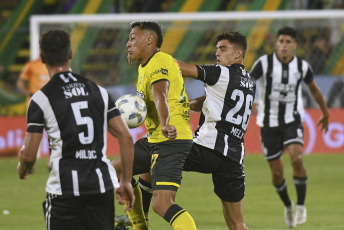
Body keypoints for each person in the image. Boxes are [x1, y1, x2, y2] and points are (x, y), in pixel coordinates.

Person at [17, 29, 135, 230]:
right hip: (101, 186)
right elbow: (125, 136)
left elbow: (29, 156)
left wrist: (24, 168)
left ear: (43, 57)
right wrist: (125, 181)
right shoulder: (99, 91)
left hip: (64, 190)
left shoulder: (40, 99)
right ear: (70, 53)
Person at [112, 21, 196, 230]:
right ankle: (139, 226)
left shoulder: (159, 62)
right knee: (114, 169)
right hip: (155, 139)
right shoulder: (147, 65)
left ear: (149, 39)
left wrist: (166, 124)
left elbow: (161, 95)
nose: (127, 44)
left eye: (133, 38)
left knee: (162, 204)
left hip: (171, 140)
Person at [249, 27, 329, 228]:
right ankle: (288, 205)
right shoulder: (264, 63)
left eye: (288, 42)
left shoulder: (302, 66)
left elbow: (315, 90)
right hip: (268, 123)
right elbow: (247, 83)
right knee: (277, 173)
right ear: (276, 43)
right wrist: (247, 101)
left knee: (297, 158)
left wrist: (326, 113)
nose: (284, 45)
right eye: (281, 41)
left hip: (292, 120)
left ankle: (301, 205)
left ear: (294, 45)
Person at [177, 31, 254, 230]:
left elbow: (179, 67)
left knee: (155, 152)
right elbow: (224, 98)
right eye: (216, 49)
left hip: (208, 148)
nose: (217, 53)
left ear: (237, 54)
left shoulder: (220, 73)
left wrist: (150, 54)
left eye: (223, 48)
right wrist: (198, 103)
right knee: (237, 223)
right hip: (233, 158)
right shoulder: (249, 82)